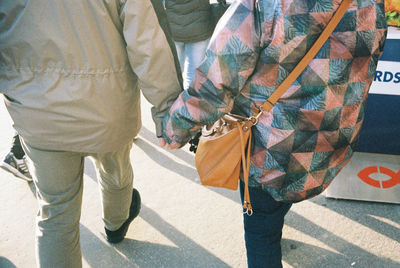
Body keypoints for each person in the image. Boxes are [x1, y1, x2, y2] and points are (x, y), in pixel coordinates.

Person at [160, 0, 387, 267]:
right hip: (331, 140)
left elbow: (216, 82)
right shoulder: (371, 3)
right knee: (279, 204)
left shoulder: (263, 5)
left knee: (261, 234)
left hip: (270, 152)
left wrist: (174, 128)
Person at [0, 1, 182, 267]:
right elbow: (146, 40)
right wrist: (168, 108)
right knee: (115, 171)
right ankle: (116, 223)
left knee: (55, 213)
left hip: (37, 109)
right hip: (108, 103)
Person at [164, 0, 214, 89]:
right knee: (193, 75)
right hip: (199, 29)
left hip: (174, 29)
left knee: (174, 73)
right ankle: (188, 100)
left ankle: (174, 101)